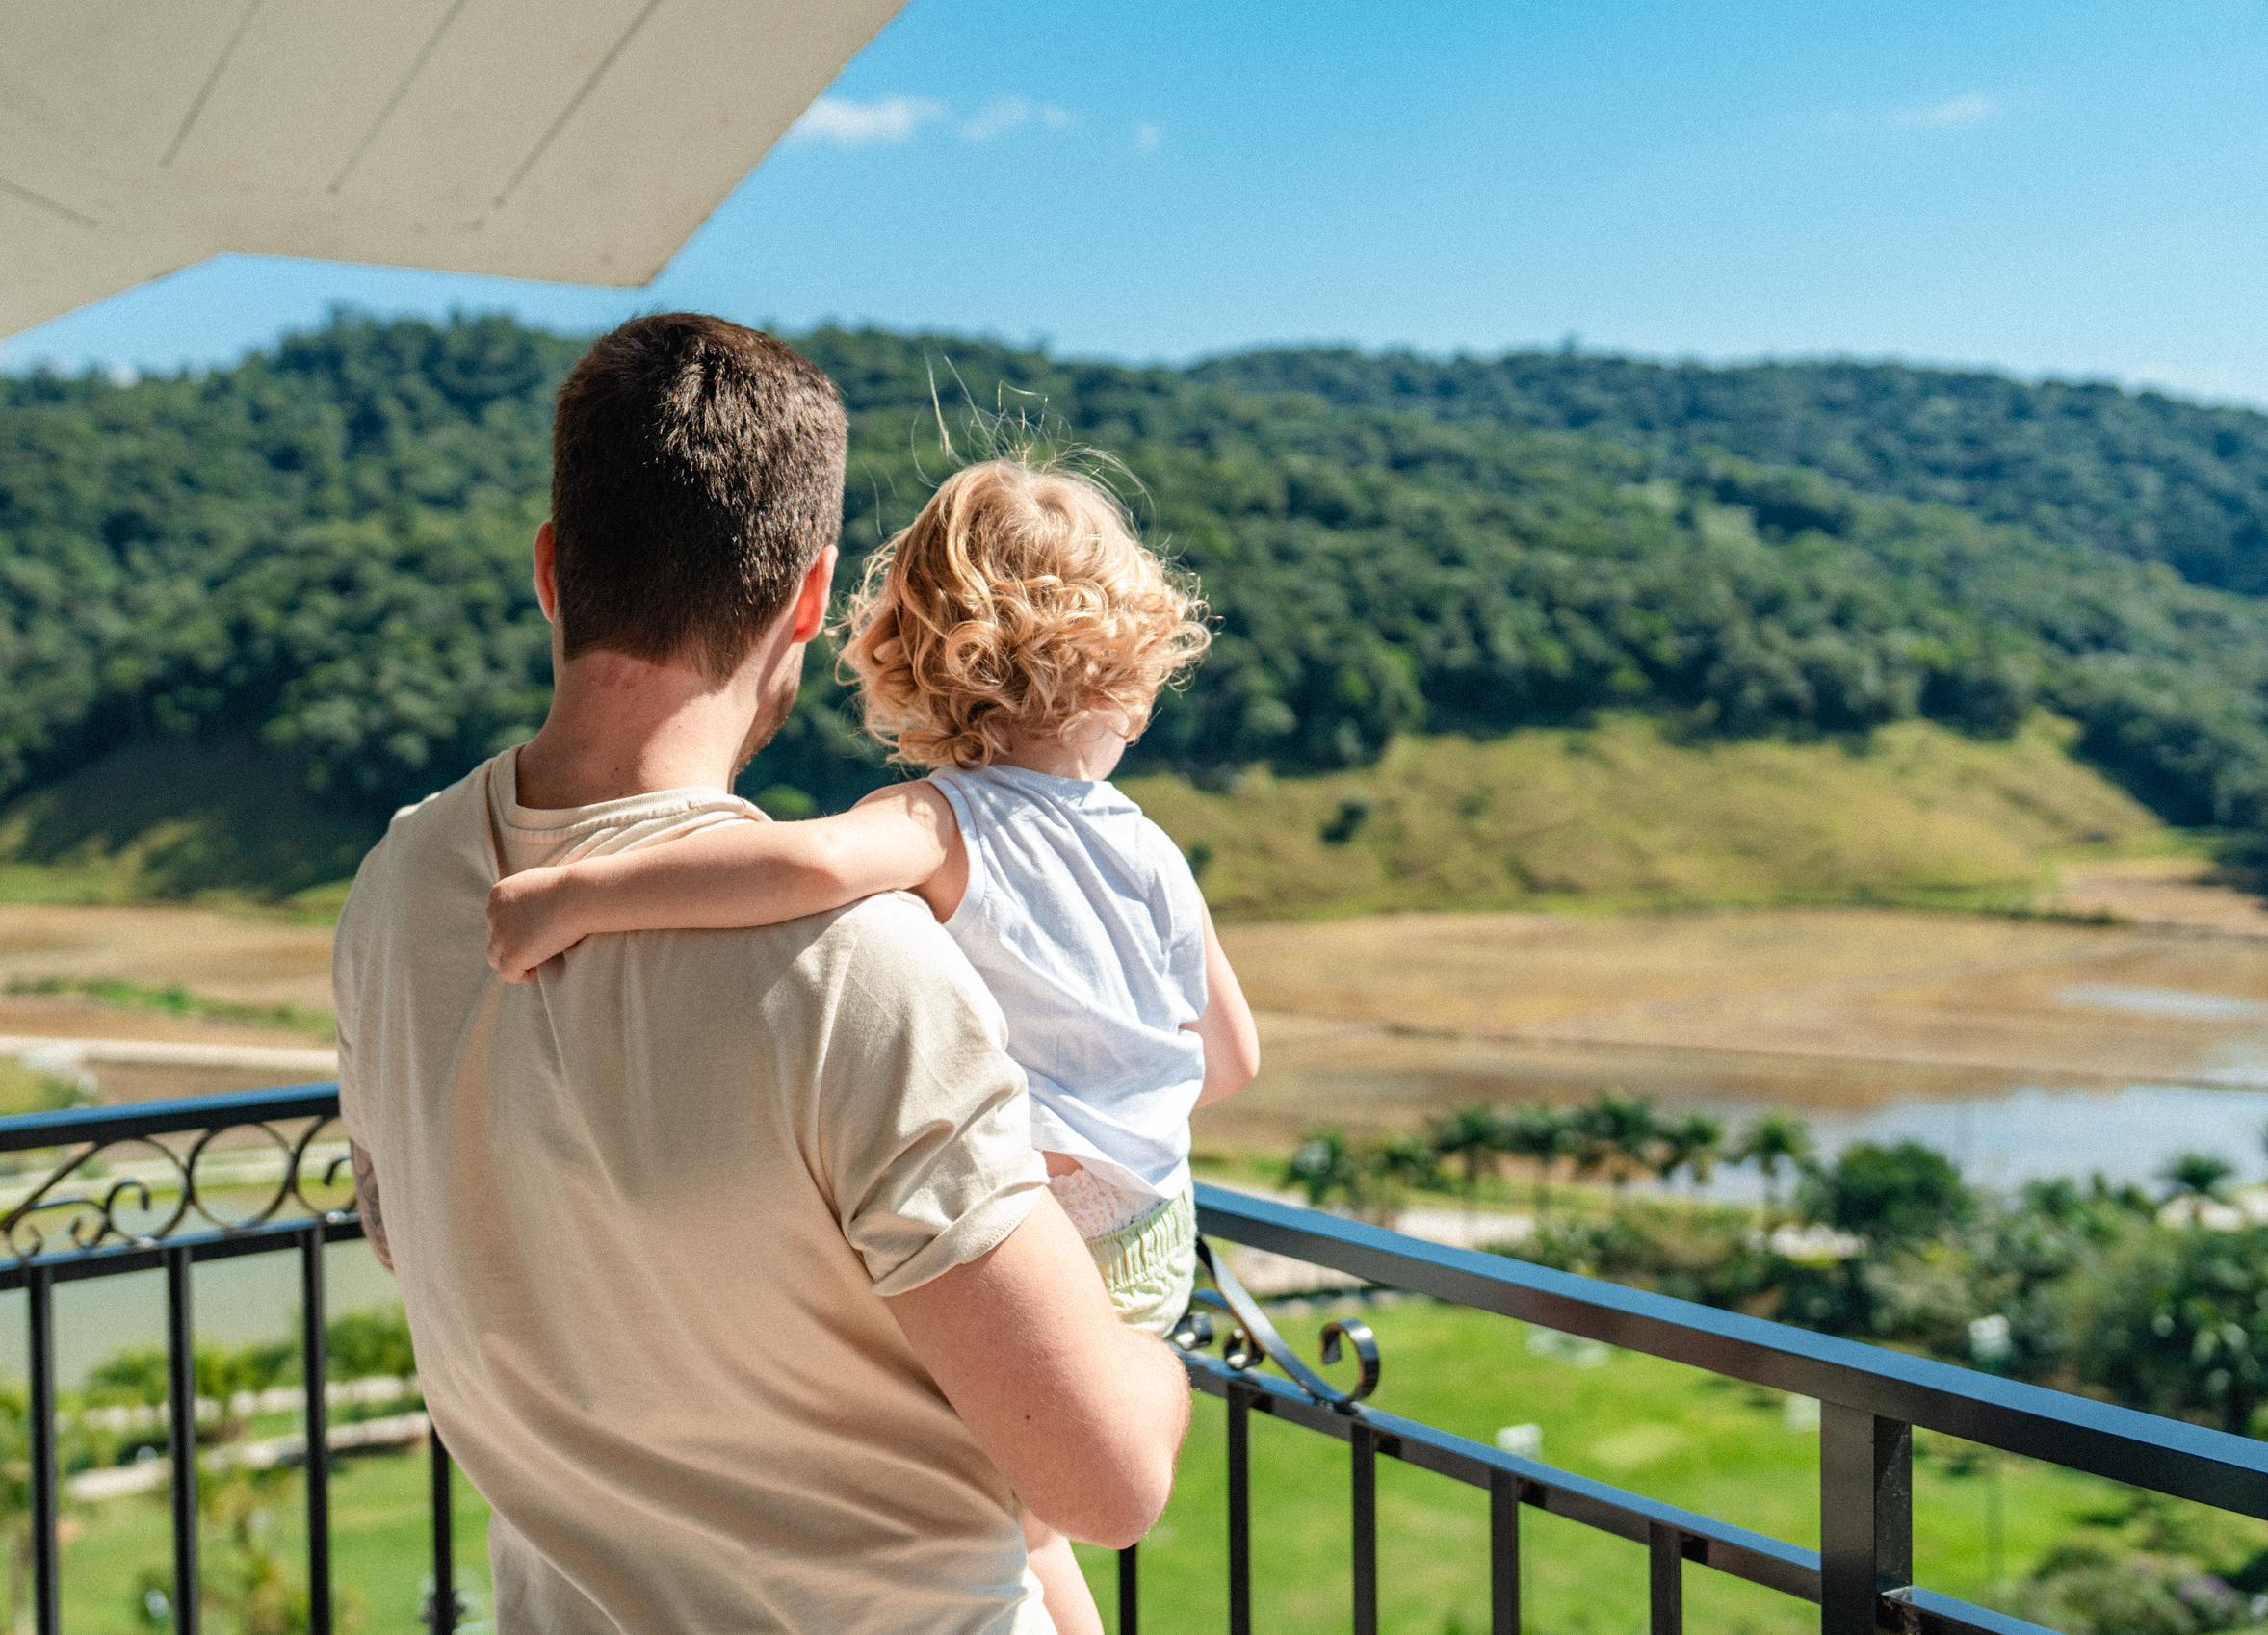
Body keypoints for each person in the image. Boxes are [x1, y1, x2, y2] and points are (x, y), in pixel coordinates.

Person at [331, 315, 1190, 1635]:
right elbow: (1109, 1477)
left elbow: (410, 1229)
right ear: (806, 595)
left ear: (554, 571)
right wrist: (1150, 1357)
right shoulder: (855, 964)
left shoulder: (397, 888)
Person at [482, 456, 1262, 1635]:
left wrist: (579, 898)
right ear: (1135, 683)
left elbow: (797, 868)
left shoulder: (945, 819)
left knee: (1002, 1513)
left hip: (1046, 1235)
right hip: (1156, 1237)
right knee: (1031, 1520)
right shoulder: (1151, 851)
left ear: (915, 663)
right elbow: (1233, 1055)